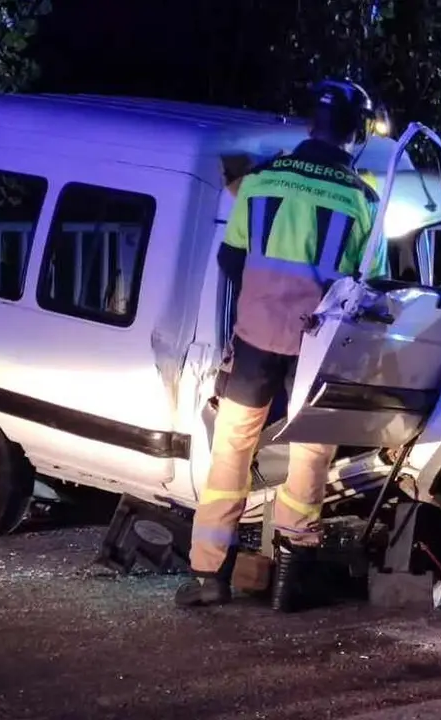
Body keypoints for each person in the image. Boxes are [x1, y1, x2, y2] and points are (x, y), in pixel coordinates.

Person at [175, 78, 386, 612]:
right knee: (311, 449)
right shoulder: (363, 202)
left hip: (256, 338)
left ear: (310, 124)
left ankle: (208, 576)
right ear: (355, 134)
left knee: (233, 447)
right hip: (320, 346)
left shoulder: (261, 181)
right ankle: (290, 579)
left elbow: (230, 261)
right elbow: (370, 288)